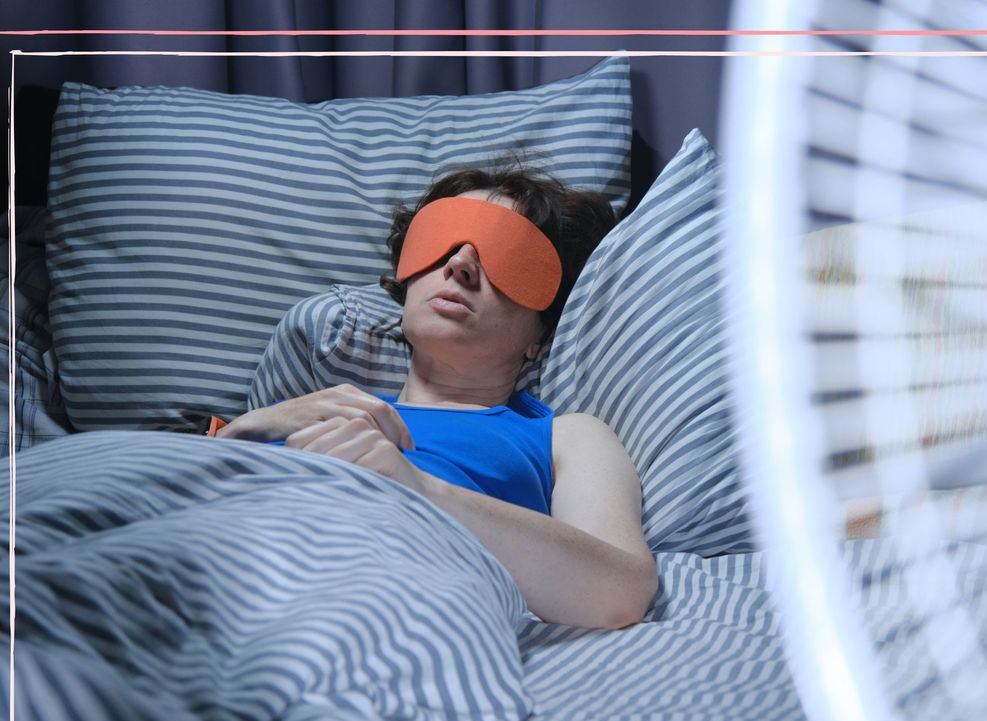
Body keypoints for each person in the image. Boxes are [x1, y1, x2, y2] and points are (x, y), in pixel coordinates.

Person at [213, 158, 657, 631]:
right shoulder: (313, 409)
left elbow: (620, 592)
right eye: (440, 238)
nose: (460, 263)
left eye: (508, 255)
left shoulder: (564, 436)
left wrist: (420, 490)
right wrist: (240, 436)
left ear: (540, 337)